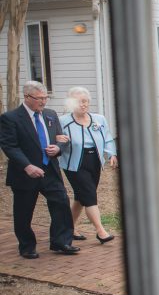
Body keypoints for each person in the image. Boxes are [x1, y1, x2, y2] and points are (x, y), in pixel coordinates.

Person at [0, 80, 79, 258]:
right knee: (24, 212)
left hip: (50, 169)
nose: (43, 102)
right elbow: (9, 146)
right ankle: (27, 246)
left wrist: (58, 147)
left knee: (60, 203)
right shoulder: (10, 118)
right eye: (39, 98)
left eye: (45, 98)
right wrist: (27, 166)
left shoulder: (50, 115)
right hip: (25, 173)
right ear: (27, 97)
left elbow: (62, 138)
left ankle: (61, 242)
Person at [59, 86, 118, 244]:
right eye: (79, 102)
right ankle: (101, 231)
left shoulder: (99, 119)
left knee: (81, 197)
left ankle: (69, 227)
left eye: (85, 101)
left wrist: (112, 154)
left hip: (94, 161)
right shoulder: (63, 121)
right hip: (74, 163)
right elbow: (57, 142)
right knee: (90, 196)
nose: (83, 105)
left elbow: (107, 138)